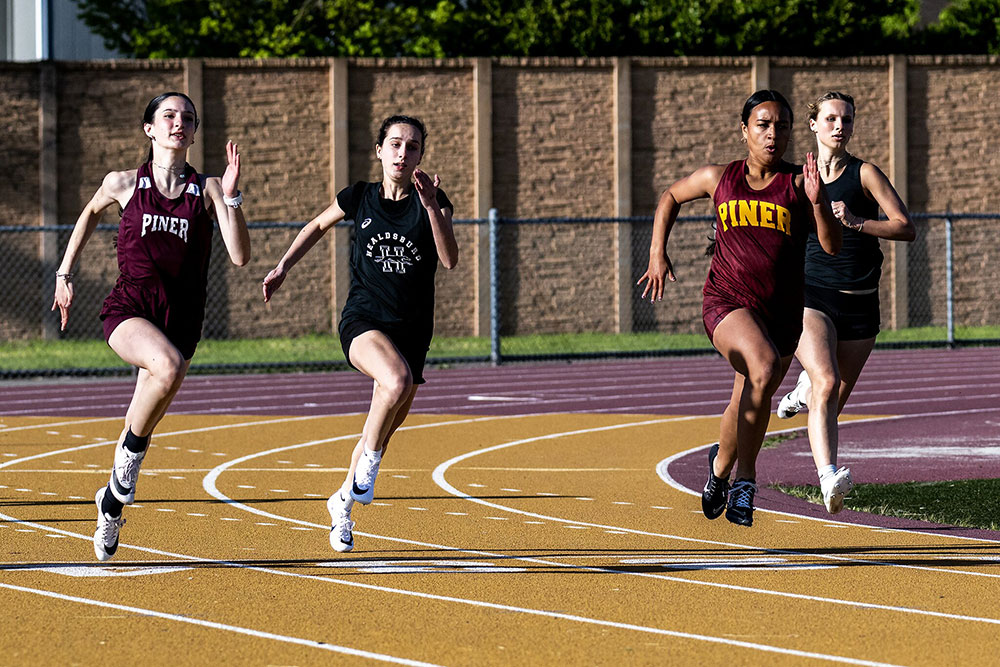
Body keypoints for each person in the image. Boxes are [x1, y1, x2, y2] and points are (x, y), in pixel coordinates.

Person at [52, 92, 251, 561]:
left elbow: (240, 256)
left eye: (188, 118)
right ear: (150, 128)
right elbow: (89, 213)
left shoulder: (207, 189)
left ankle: (110, 506)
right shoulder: (123, 182)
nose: (179, 123)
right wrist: (64, 273)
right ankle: (129, 462)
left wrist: (232, 196)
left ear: (194, 132)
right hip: (130, 308)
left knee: (149, 399)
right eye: (169, 116)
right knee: (168, 367)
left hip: (181, 317)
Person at [638, 90, 842, 527]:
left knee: (748, 397)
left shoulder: (799, 184)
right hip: (727, 303)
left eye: (782, 127)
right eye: (763, 125)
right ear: (744, 130)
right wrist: (657, 253)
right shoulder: (719, 178)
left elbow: (831, 245)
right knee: (763, 368)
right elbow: (670, 196)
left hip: (780, 315)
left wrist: (817, 201)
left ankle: (718, 469)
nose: (773, 134)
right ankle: (745, 481)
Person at [262, 115, 458, 552]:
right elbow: (316, 226)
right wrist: (283, 266)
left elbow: (449, 259)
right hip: (364, 320)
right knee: (395, 381)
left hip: (412, 331)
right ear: (380, 151)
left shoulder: (434, 200)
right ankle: (369, 465)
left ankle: (342, 505)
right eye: (395, 144)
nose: (403, 153)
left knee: (381, 427)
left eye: (412, 147)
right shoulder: (360, 196)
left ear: (421, 156)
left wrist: (430, 206)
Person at [775, 91, 915, 514]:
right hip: (812, 294)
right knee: (828, 381)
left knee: (831, 398)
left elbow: (905, 227)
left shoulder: (865, 173)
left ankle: (803, 390)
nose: (840, 126)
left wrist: (857, 222)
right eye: (831, 119)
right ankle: (829, 477)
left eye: (847, 119)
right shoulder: (797, 178)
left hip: (861, 303)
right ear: (813, 124)